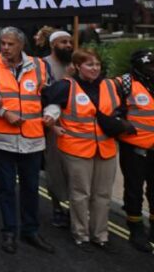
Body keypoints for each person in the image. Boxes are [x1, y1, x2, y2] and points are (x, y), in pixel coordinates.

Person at [43, 48, 129, 251]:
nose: (95, 68)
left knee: (102, 194)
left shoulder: (110, 85)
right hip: (76, 150)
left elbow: (121, 108)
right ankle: (81, 234)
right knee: (80, 194)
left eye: (97, 64)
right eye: (89, 64)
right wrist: (52, 123)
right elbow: (48, 103)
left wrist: (118, 121)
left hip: (106, 148)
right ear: (77, 66)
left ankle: (100, 235)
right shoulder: (65, 86)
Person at [0, 27, 55, 254]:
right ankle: (9, 231)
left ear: (21, 45)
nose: (5, 48)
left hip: (32, 139)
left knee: (31, 188)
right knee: (6, 189)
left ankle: (30, 231)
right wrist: (4, 113)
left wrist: (52, 114)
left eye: (10, 44)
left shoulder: (40, 66)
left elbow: (51, 98)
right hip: (1, 139)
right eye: (2, 43)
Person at [116, 48, 154, 251]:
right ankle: (136, 229)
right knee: (134, 189)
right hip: (134, 148)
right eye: (149, 65)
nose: (152, 68)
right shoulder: (124, 84)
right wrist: (120, 122)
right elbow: (109, 109)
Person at [43, 30, 75, 230]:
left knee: (75, 172)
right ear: (53, 44)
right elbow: (45, 95)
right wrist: (66, 78)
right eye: (63, 42)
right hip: (53, 126)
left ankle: (74, 210)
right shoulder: (43, 65)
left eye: (70, 42)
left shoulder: (76, 63)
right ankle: (57, 208)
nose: (68, 45)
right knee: (55, 170)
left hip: (75, 127)